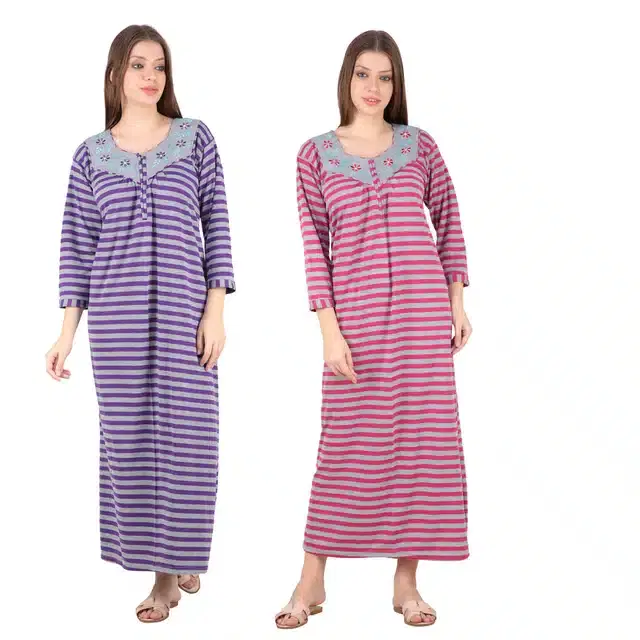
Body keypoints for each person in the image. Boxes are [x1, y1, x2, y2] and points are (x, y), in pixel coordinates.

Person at [276, 30, 472, 629]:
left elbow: (449, 222)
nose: (373, 87)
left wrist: (456, 303)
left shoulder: (420, 146)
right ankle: (312, 576)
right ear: (347, 78)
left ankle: (406, 581)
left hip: (421, 317)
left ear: (396, 84)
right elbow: (315, 248)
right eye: (363, 74)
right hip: (355, 323)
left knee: (420, 443)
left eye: (385, 77)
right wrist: (328, 331)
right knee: (345, 446)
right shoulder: (315, 155)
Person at [45, 24, 236, 623]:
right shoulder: (90, 155)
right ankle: (164, 580)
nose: (150, 76)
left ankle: (183, 554)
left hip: (184, 315)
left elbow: (217, 223)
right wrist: (67, 332)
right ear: (115, 74)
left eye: (159, 66)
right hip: (117, 321)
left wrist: (216, 310)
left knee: (190, 440)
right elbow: (77, 246)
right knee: (132, 446)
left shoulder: (195, 138)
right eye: (137, 65)